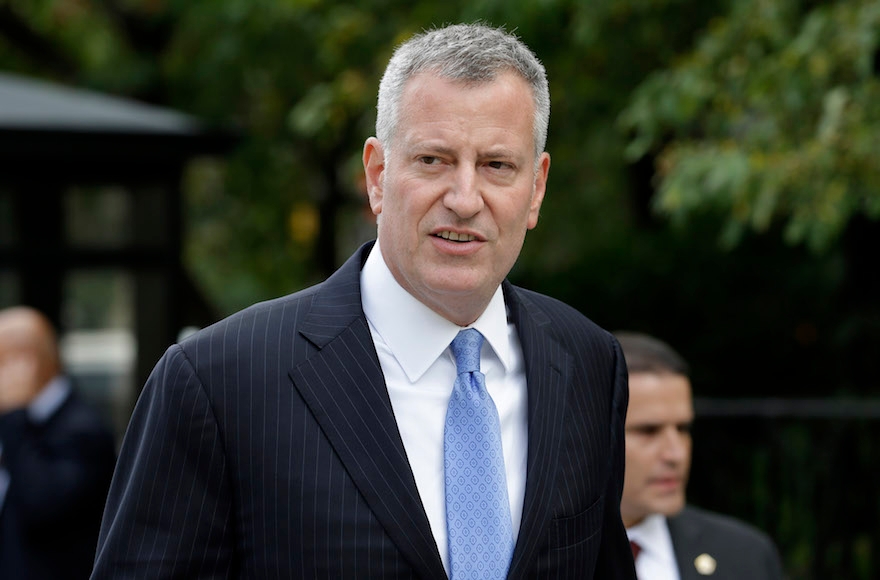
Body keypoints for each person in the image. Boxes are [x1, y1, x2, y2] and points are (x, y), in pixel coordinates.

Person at [92, 23, 636, 579]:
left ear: (536, 189)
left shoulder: (588, 364)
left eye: (497, 165)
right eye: (433, 160)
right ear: (376, 175)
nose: (465, 199)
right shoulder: (217, 383)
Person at [615, 331, 784, 580]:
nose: (676, 453)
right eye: (648, 431)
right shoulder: (542, 555)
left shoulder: (744, 555)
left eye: (683, 429)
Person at [0, 306, 117, 579]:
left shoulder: (82, 428)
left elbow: (42, 503)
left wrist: (14, 416)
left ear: (24, 362)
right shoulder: (20, 422)